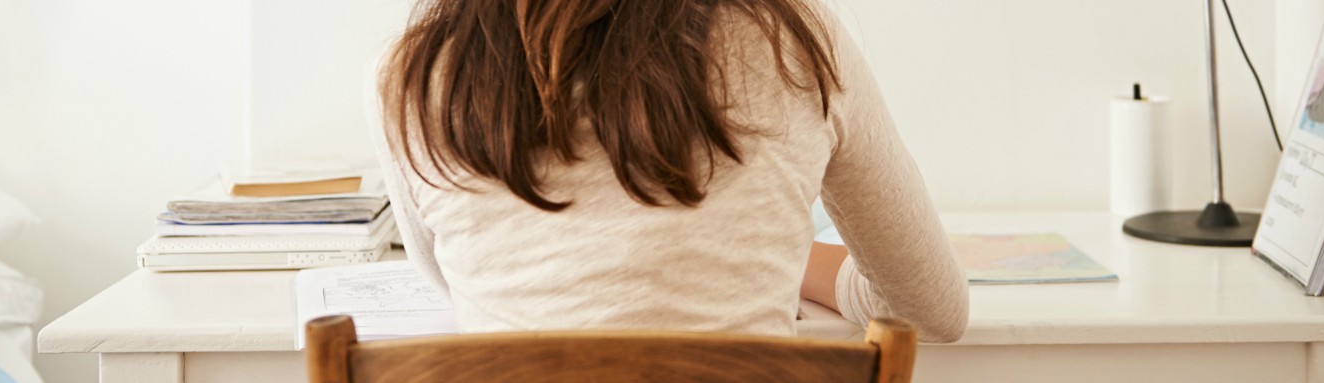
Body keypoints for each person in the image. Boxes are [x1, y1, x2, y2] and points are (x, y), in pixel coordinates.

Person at [369, 0, 968, 343]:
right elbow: (932, 312)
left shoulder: (415, 76)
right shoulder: (791, 41)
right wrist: (764, 258)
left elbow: (462, 282)